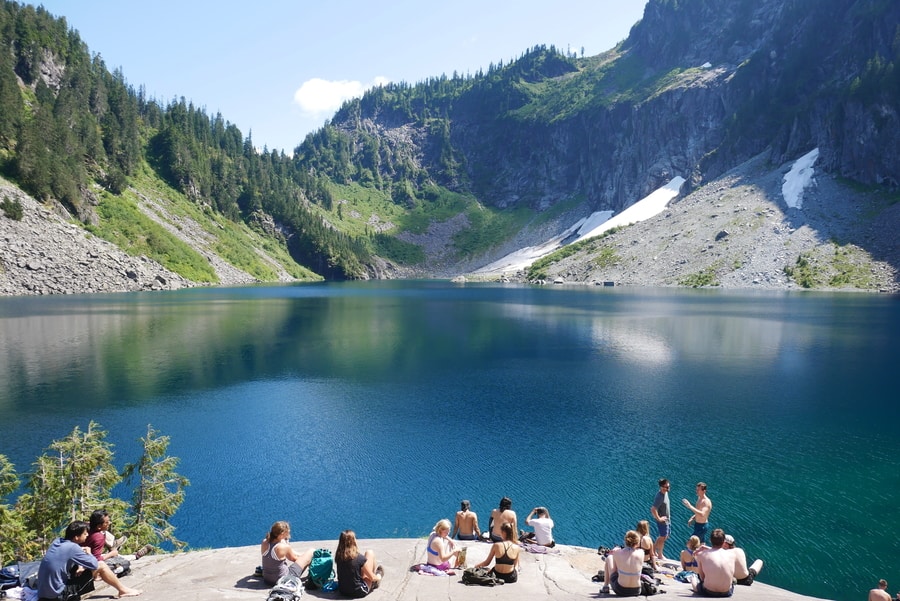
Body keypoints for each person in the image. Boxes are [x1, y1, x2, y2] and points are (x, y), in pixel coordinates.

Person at [38, 520, 143, 601]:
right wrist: (88, 552)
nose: (87, 535)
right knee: (101, 565)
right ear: (76, 537)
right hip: (57, 595)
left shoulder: (57, 542)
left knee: (82, 567)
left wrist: (80, 560)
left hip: (43, 593)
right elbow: (94, 564)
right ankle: (123, 590)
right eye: (84, 534)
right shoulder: (73, 548)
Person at [260, 521, 314, 586]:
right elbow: (295, 558)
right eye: (288, 532)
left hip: (267, 580)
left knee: (305, 557)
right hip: (282, 580)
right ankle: (313, 577)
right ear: (282, 534)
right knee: (311, 551)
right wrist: (307, 558)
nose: (289, 534)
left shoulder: (264, 542)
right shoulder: (283, 547)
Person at [335, 529, 383, 598]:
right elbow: (371, 578)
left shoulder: (339, 557)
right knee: (369, 553)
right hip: (358, 592)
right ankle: (375, 582)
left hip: (343, 590)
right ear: (353, 541)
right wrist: (378, 576)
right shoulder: (359, 558)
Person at [599, 530, 644, 596]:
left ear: (625, 541)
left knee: (609, 558)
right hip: (636, 590)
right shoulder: (641, 552)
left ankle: (605, 587)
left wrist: (615, 550)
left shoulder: (617, 552)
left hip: (620, 589)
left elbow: (616, 566)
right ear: (637, 542)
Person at [693, 528, 734, 597]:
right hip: (726, 592)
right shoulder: (731, 555)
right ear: (724, 541)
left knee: (693, 578)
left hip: (709, 591)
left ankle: (693, 580)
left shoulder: (702, 555)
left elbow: (702, 578)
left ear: (710, 540)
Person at [650, 478, 670, 559]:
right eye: (666, 487)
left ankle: (653, 550)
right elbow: (653, 509)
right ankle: (660, 555)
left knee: (665, 536)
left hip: (668, 519)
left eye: (668, 486)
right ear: (661, 487)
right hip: (663, 521)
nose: (668, 488)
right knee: (663, 536)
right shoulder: (659, 497)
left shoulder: (665, 493)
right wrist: (659, 519)